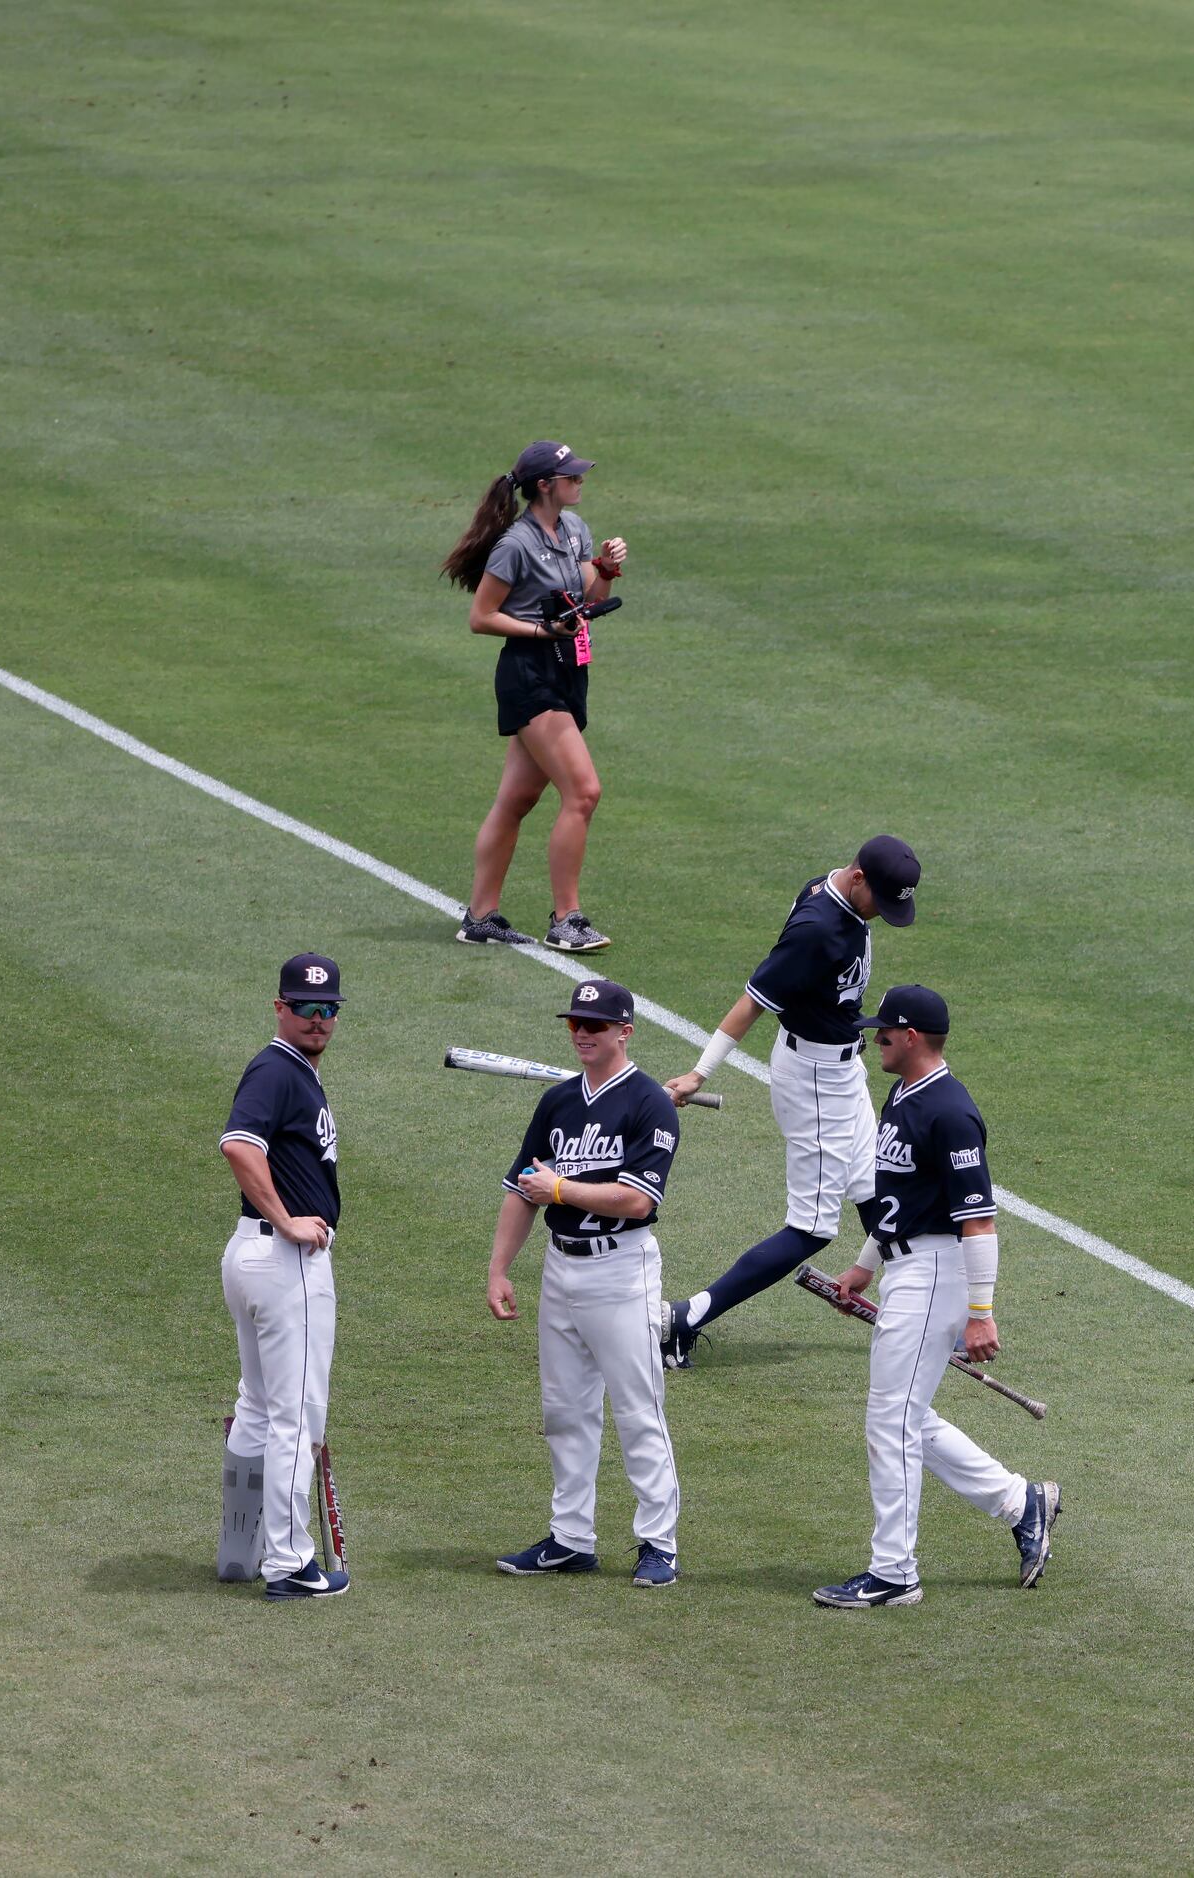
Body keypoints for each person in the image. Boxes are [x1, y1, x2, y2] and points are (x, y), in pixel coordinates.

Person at [811, 986, 1061, 1607]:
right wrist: (864, 1267)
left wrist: (981, 1313)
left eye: (885, 1032)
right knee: (904, 1417)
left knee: (890, 1420)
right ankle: (1019, 1501)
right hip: (905, 1268)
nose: (875, 1040)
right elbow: (900, 1205)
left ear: (913, 1037)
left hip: (938, 1274)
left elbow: (977, 1221)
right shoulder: (902, 1094)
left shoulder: (950, 1112)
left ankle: (894, 1572)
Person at [660, 837, 922, 1367]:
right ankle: (682, 1320)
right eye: (882, 901)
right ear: (858, 879)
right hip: (816, 1080)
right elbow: (752, 1002)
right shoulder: (817, 931)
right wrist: (697, 1073)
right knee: (811, 1227)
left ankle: (926, 1315)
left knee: (876, 1182)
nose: (882, 913)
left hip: (841, 1068)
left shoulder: (834, 888)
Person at [488, 980, 687, 1585]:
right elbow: (522, 1189)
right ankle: (571, 1537)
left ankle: (659, 1545)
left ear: (624, 1032)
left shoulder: (650, 1104)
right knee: (565, 1410)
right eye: (575, 1023)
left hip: (622, 1268)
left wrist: (561, 1189)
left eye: (595, 1025)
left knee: (637, 1409)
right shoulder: (556, 1102)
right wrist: (498, 1267)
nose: (581, 1033)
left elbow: (634, 1198)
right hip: (560, 1266)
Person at [444, 439, 627, 952]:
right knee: (584, 792)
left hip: (568, 672)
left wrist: (607, 568)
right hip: (530, 674)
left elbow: (591, 599)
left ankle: (480, 917)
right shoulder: (514, 544)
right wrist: (540, 631)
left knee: (517, 800)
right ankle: (567, 919)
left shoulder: (573, 530)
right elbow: (482, 617)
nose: (580, 481)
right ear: (545, 484)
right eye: (571, 476)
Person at [216, 953, 349, 1600]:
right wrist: (289, 1219)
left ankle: (238, 1551)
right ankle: (291, 1565)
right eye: (304, 1007)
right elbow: (240, 1144)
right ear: (279, 1008)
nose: (317, 1019)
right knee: (296, 1416)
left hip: (251, 1258)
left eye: (327, 1010)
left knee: (259, 1410)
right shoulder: (277, 1069)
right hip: (283, 1262)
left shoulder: (293, 1072)